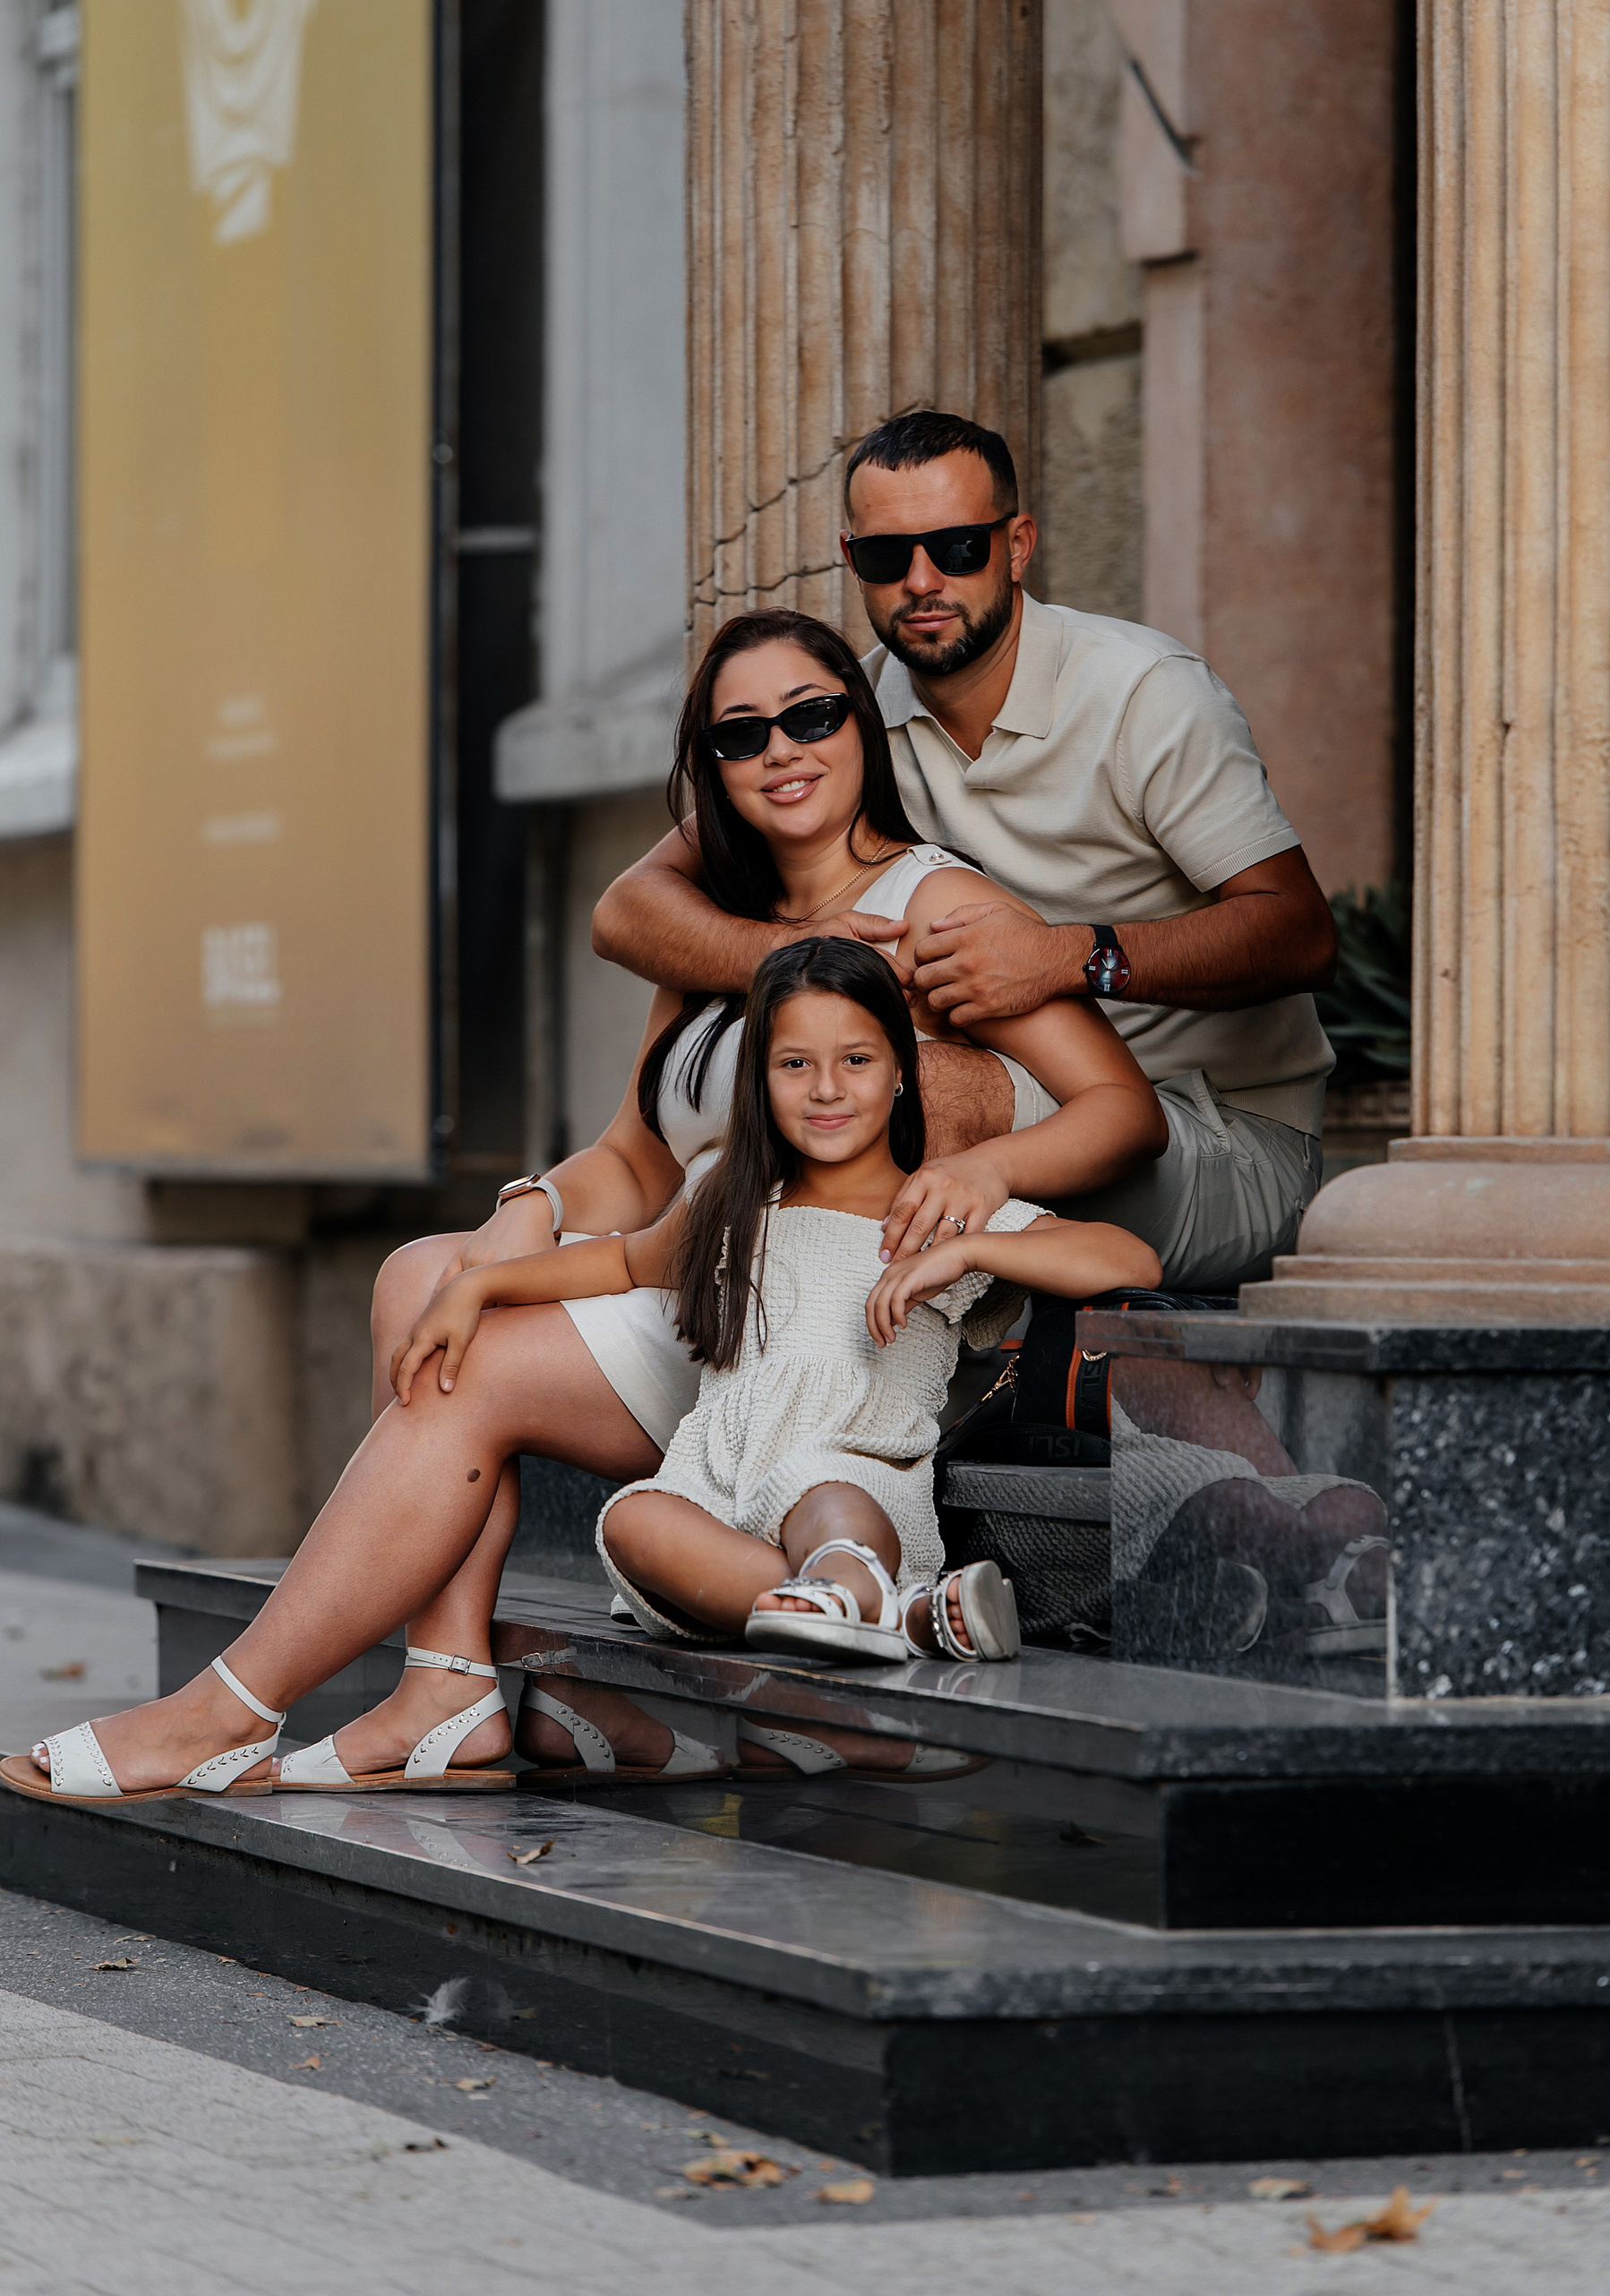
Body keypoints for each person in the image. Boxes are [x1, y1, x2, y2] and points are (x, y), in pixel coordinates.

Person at [0, 625, 1162, 1805]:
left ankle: (227, 1711)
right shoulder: (713, 926)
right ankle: (446, 1680)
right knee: (422, 1275)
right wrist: (535, 1205)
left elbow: (1122, 1111)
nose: (782, 751)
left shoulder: (938, 903)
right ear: (710, 765)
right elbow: (636, 1156)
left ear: (861, 725)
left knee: (468, 1366)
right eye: (742, 734)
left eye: (812, 715)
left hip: (844, 1331)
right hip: (709, 1286)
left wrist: (986, 1176)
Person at [595, 408, 1340, 1294]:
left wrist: (1069, 959)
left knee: (921, 1086)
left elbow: (1299, 935)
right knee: (835, 1077)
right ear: (853, 560)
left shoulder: (1144, 694)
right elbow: (627, 910)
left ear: (1016, 546)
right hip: (1034, 1112)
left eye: (957, 548)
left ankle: (840, 1365)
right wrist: (794, 948)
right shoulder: (843, 722)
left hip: (1217, 1139)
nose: (922, 581)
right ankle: (766, 1349)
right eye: (888, 556)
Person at [384, 938, 1160, 1696]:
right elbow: (620, 1262)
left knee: (819, 1487)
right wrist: (480, 1288)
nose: (826, 1089)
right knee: (632, 1521)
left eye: (856, 1060)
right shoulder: (735, 1205)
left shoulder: (934, 1215)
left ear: (900, 1070)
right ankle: (900, 1621)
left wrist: (965, 1253)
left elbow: (1128, 1260)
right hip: (721, 1483)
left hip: (856, 1471)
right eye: (795, 1065)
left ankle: (847, 1591)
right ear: (760, 1078)